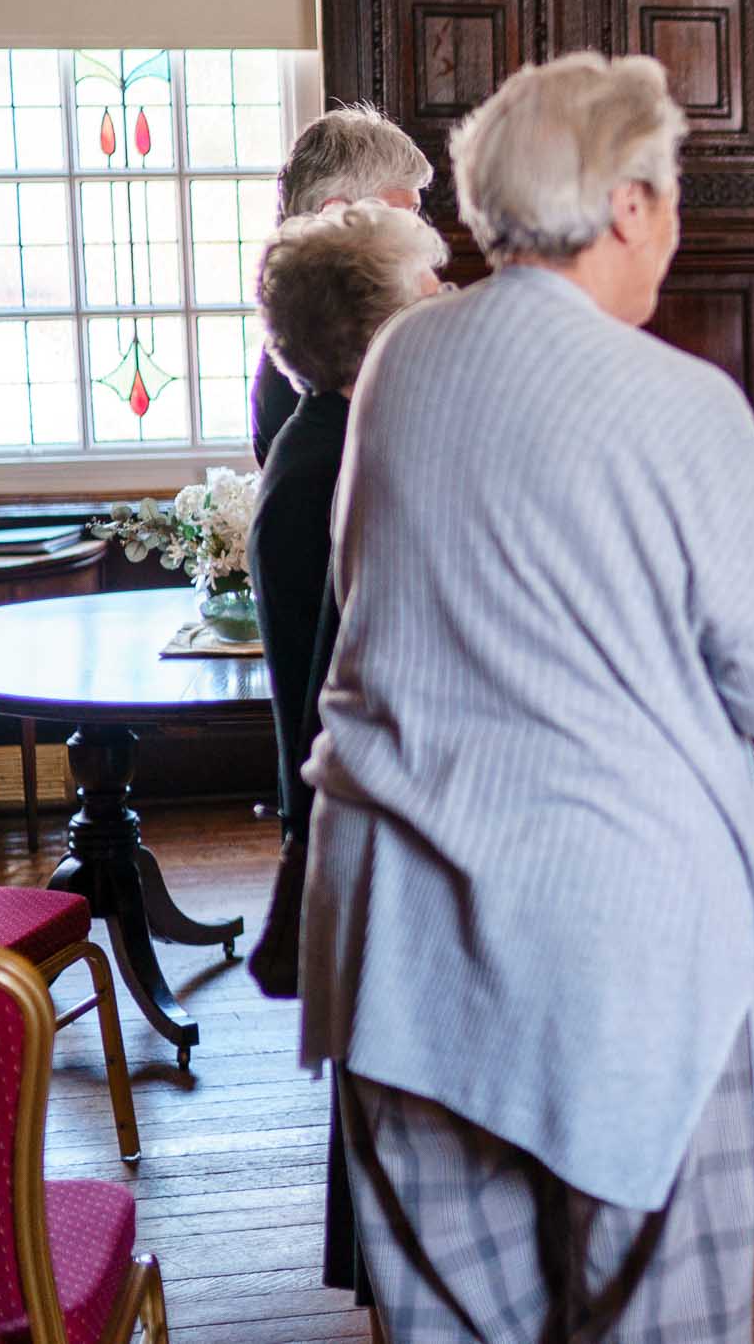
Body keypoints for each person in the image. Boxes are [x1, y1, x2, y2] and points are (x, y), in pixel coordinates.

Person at [298, 53, 754, 1341]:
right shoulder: (678, 402)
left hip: (398, 934)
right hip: (615, 941)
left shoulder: (402, 364)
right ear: (626, 207)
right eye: (671, 190)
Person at [242, 199, 448, 1313]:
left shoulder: (339, 432)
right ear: (381, 322)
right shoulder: (331, 461)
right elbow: (338, 679)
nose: (446, 295)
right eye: (428, 281)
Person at [251, 105, 435, 464]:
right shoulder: (319, 370)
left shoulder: (323, 344)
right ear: (335, 214)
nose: (422, 232)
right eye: (406, 213)